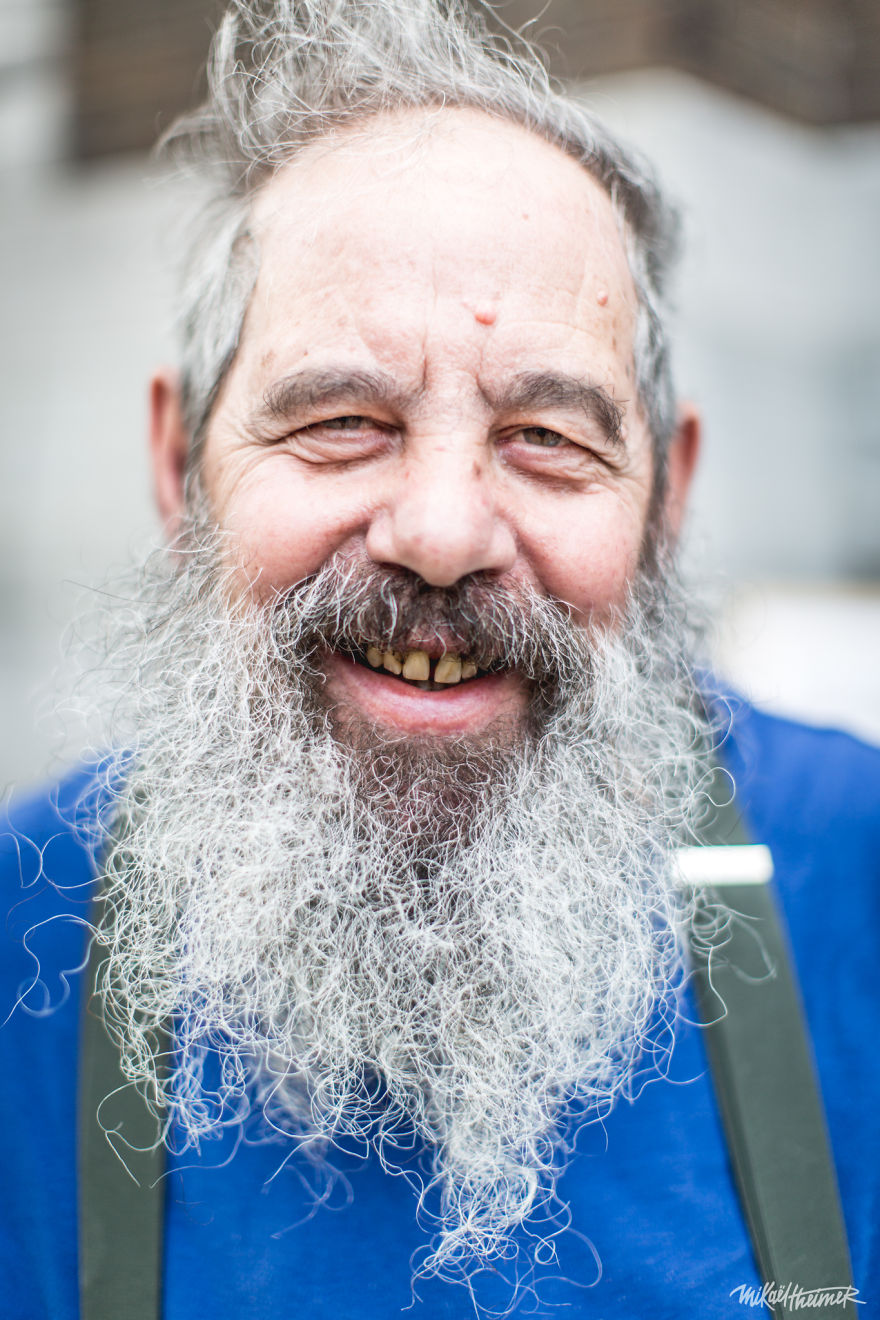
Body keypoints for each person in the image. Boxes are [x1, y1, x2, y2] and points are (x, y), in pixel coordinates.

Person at [1, 1, 877, 1316]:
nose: (447, 533)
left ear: (667, 498)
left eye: (547, 436)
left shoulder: (856, 871)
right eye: (342, 421)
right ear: (179, 462)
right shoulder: (27, 926)